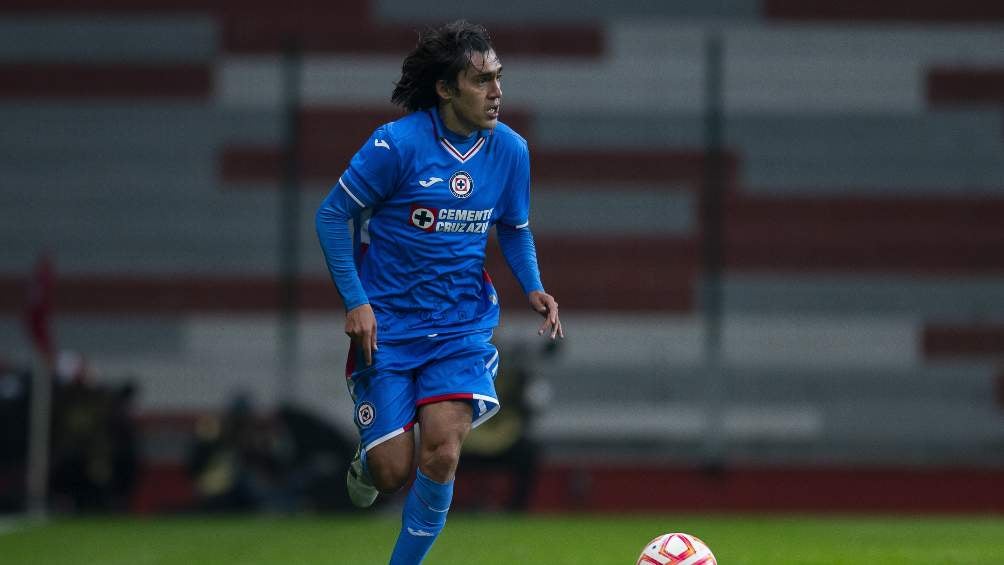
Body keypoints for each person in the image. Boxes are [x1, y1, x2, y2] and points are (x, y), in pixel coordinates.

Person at [315, 20, 562, 564]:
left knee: (443, 453)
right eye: (481, 81)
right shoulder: (395, 146)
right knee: (391, 472)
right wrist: (355, 300)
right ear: (447, 89)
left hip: (460, 328)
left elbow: (514, 228)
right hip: (390, 329)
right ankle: (367, 458)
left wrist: (534, 287)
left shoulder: (510, 151)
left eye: (498, 78)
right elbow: (333, 215)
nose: (497, 91)